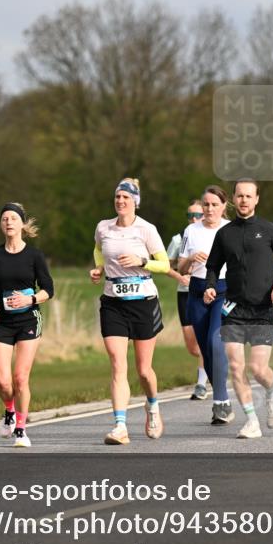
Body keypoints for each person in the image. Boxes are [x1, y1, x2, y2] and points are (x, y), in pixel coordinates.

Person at [204, 179, 273, 439]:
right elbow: (212, 266)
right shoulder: (225, 233)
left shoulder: (269, 230)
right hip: (233, 308)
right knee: (235, 366)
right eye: (240, 196)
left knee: (257, 369)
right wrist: (210, 286)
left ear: (256, 199)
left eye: (248, 196)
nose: (244, 200)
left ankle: (272, 391)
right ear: (234, 199)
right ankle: (251, 420)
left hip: (262, 309)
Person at [90, 178, 169, 445]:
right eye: (118, 197)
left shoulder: (146, 229)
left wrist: (142, 261)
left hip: (143, 302)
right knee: (117, 363)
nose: (121, 201)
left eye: (126, 197)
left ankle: (153, 406)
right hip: (113, 302)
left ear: (135, 201)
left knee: (144, 370)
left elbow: (164, 264)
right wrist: (99, 269)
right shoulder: (104, 227)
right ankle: (120, 426)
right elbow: (99, 250)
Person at [0, 203, 54, 448]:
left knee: (20, 378)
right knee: (3, 381)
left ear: (22, 223)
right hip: (1, 321)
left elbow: (48, 290)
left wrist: (30, 299)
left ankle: (21, 429)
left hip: (28, 320)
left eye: (13, 218)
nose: (9, 222)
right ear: (1, 225)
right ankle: (9, 410)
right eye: (4, 219)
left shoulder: (34, 256)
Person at [178, 186, 232, 424]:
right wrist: (191, 258)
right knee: (205, 350)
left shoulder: (230, 229)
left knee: (216, 342)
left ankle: (220, 401)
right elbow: (181, 268)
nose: (209, 209)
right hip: (197, 291)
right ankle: (223, 399)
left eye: (214, 204)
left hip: (223, 290)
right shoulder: (191, 230)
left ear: (223, 206)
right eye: (206, 204)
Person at [165, 200, 209, 399]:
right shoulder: (178, 239)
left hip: (205, 292)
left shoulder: (211, 235)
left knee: (204, 340)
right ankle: (211, 362)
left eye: (198, 215)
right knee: (193, 347)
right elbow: (166, 265)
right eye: (190, 215)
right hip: (184, 292)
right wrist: (179, 273)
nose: (194, 219)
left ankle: (201, 384)